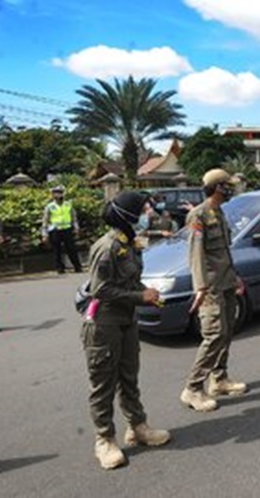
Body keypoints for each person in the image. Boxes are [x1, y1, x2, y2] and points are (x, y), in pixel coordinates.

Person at [82, 190, 171, 470]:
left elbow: (131, 282)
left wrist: (148, 293)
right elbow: (100, 289)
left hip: (126, 321)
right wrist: (139, 298)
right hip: (104, 324)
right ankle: (104, 440)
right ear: (129, 215)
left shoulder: (130, 243)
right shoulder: (106, 247)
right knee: (104, 384)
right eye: (144, 209)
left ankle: (138, 427)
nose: (149, 213)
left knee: (129, 377)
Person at [180, 169, 248, 412]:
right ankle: (193, 388)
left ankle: (218, 379)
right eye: (228, 185)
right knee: (214, 334)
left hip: (226, 281)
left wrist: (235, 277)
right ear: (218, 188)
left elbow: (223, 252)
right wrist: (200, 287)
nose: (231, 189)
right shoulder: (198, 215)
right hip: (210, 285)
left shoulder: (219, 212)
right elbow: (196, 254)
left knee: (227, 330)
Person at [42, 185, 83, 274]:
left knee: (71, 249)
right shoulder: (50, 206)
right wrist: (44, 234)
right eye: (56, 193)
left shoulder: (68, 204)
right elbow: (45, 221)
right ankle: (60, 268)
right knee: (57, 250)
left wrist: (76, 228)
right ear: (53, 195)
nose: (58, 195)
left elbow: (74, 217)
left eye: (60, 192)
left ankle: (77, 266)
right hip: (55, 230)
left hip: (67, 229)